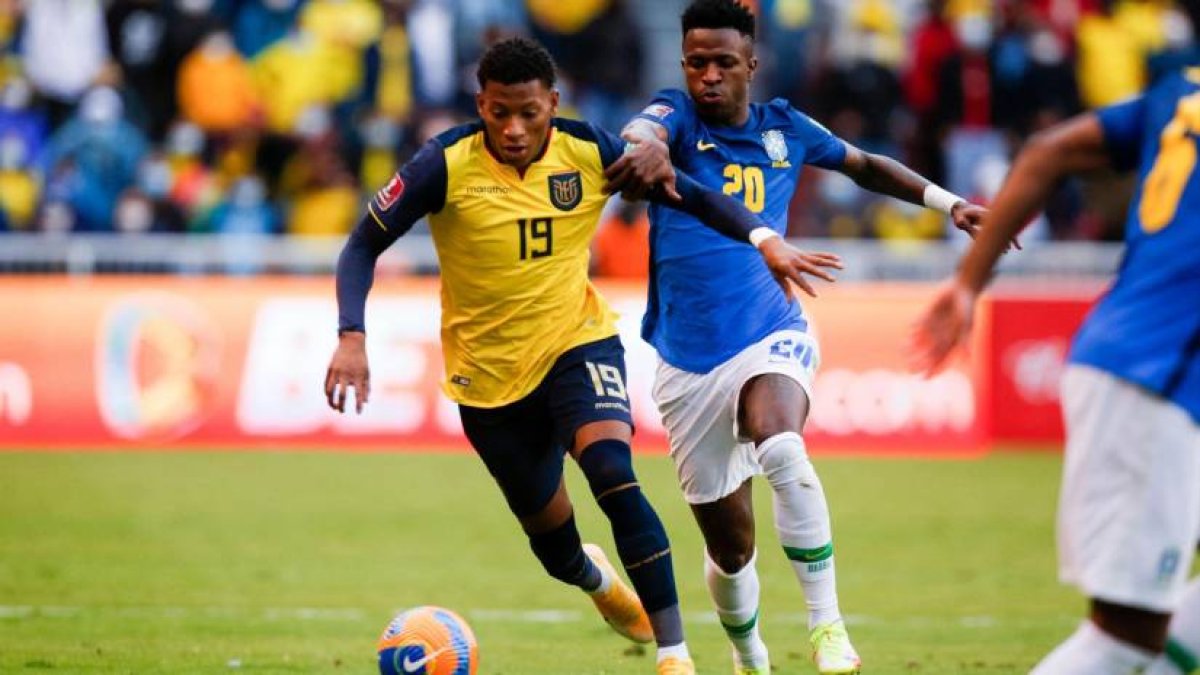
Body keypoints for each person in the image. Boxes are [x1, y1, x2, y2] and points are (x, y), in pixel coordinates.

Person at [324, 36, 826, 675]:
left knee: (613, 473)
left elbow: (691, 193)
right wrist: (351, 335)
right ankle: (594, 578)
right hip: (487, 381)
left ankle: (675, 657)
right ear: (481, 104)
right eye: (499, 112)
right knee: (554, 548)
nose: (513, 128)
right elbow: (362, 245)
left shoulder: (588, 150)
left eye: (529, 113)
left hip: (576, 343)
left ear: (552, 103)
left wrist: (763, 238)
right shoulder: (443, 164)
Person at [605, 2, 994, 673]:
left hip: (771, 330)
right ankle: (750, 654)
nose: (708, 76)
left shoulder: (786, 127)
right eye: (696, 62)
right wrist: (641, 145)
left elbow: (865, 164)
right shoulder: (675, 116)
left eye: (723, 62)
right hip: (687, 361)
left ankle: (829, 628)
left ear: (751, 64)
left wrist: (947, 202)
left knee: (782, 443)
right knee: (731, 549)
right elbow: (646, 128)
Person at [911, 66, 1200, 675]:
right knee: (1123, 637)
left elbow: (1049, 151)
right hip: (1159, 375)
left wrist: (968, 283)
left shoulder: (1184, 90)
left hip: (1140, 358)